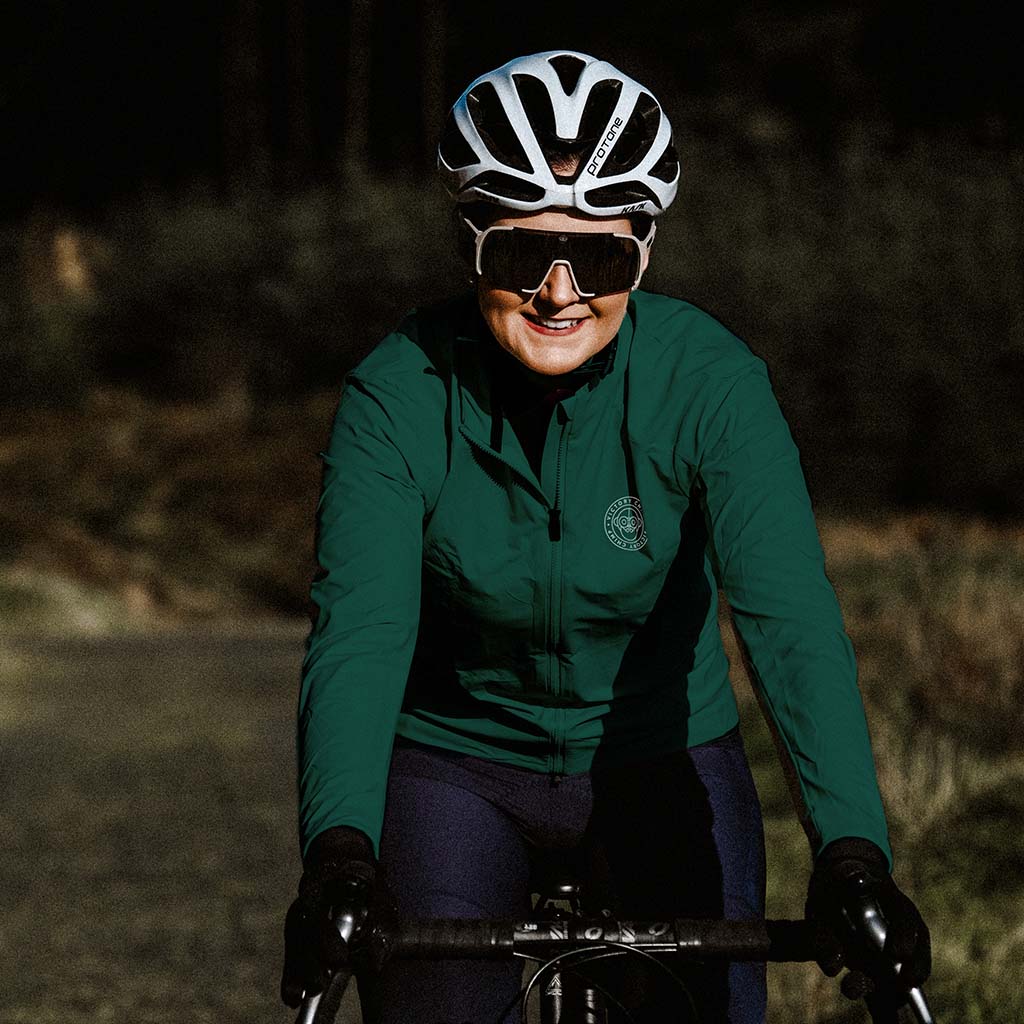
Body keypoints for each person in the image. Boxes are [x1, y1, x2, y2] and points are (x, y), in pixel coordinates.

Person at [280, 51, 931, 1023]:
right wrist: (339, 852)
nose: (558, 292)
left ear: (644, 254)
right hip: (456, 761)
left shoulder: (710, 382)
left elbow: (788, 618)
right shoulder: (397, 392)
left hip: (660, 752)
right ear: (469, 243)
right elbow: (360, 632)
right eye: (520, 254)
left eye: (600, 259)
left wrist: (853, 855)